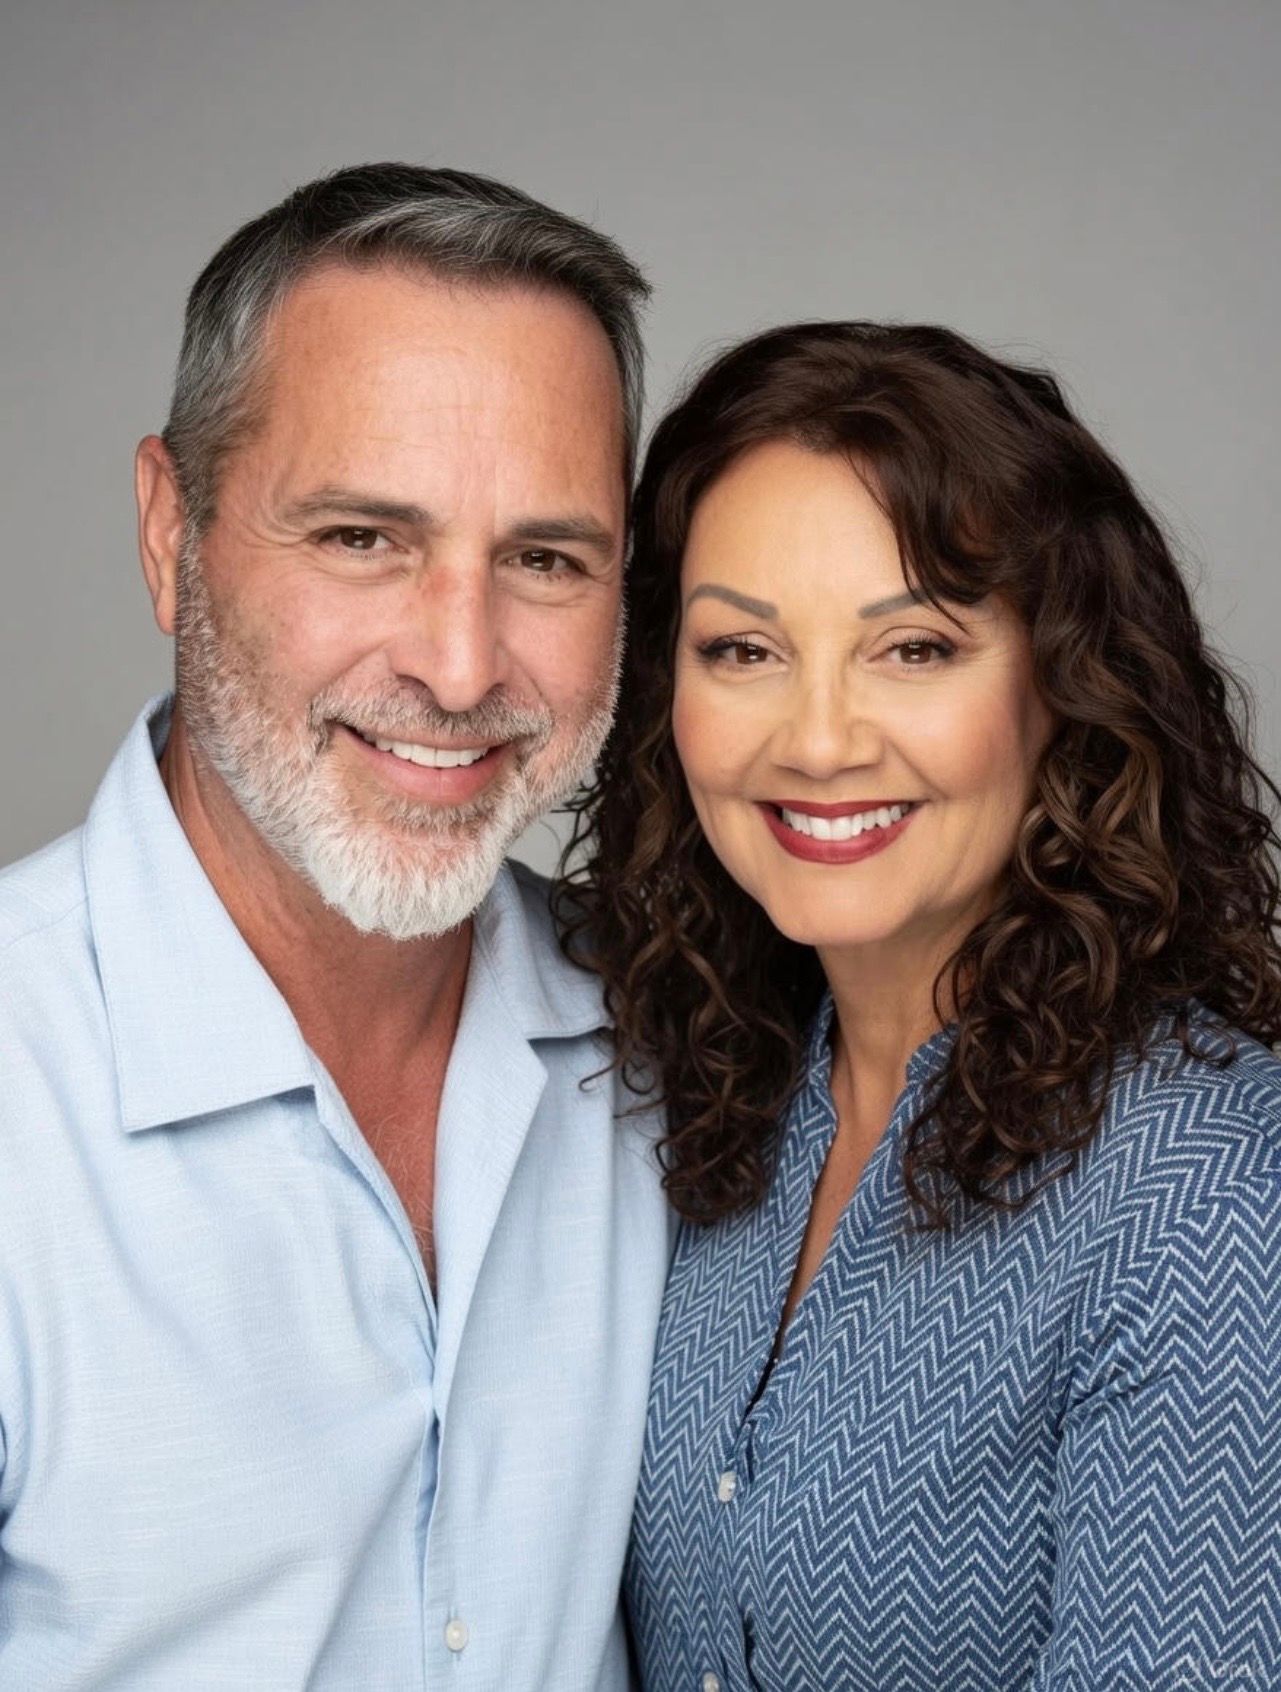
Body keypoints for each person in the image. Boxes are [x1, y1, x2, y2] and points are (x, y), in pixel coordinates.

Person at [0, 163, 672, 1690]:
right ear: (175, 529)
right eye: (364, 536)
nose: (455, 664)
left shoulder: (684, 1049)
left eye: (545, 559)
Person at [558, 322, 1281, 1690]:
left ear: (1058, 686)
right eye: (741, 651)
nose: (819, 741)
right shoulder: (712, 1098)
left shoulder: (1207, 1186)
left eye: (913, 650)